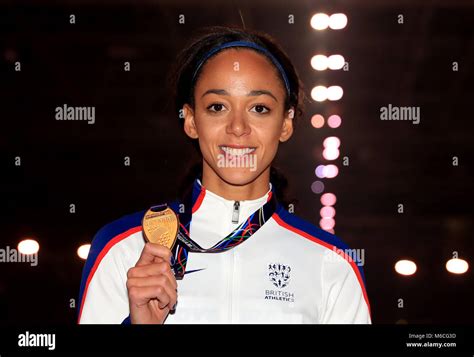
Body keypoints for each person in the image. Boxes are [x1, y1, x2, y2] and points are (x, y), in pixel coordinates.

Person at [77, 26, 371, 324]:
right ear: (191, 120)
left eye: (259, 108)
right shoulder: (124, 248)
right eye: (217, 107)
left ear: (286, 122)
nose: (238, 127)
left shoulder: (332, 263)